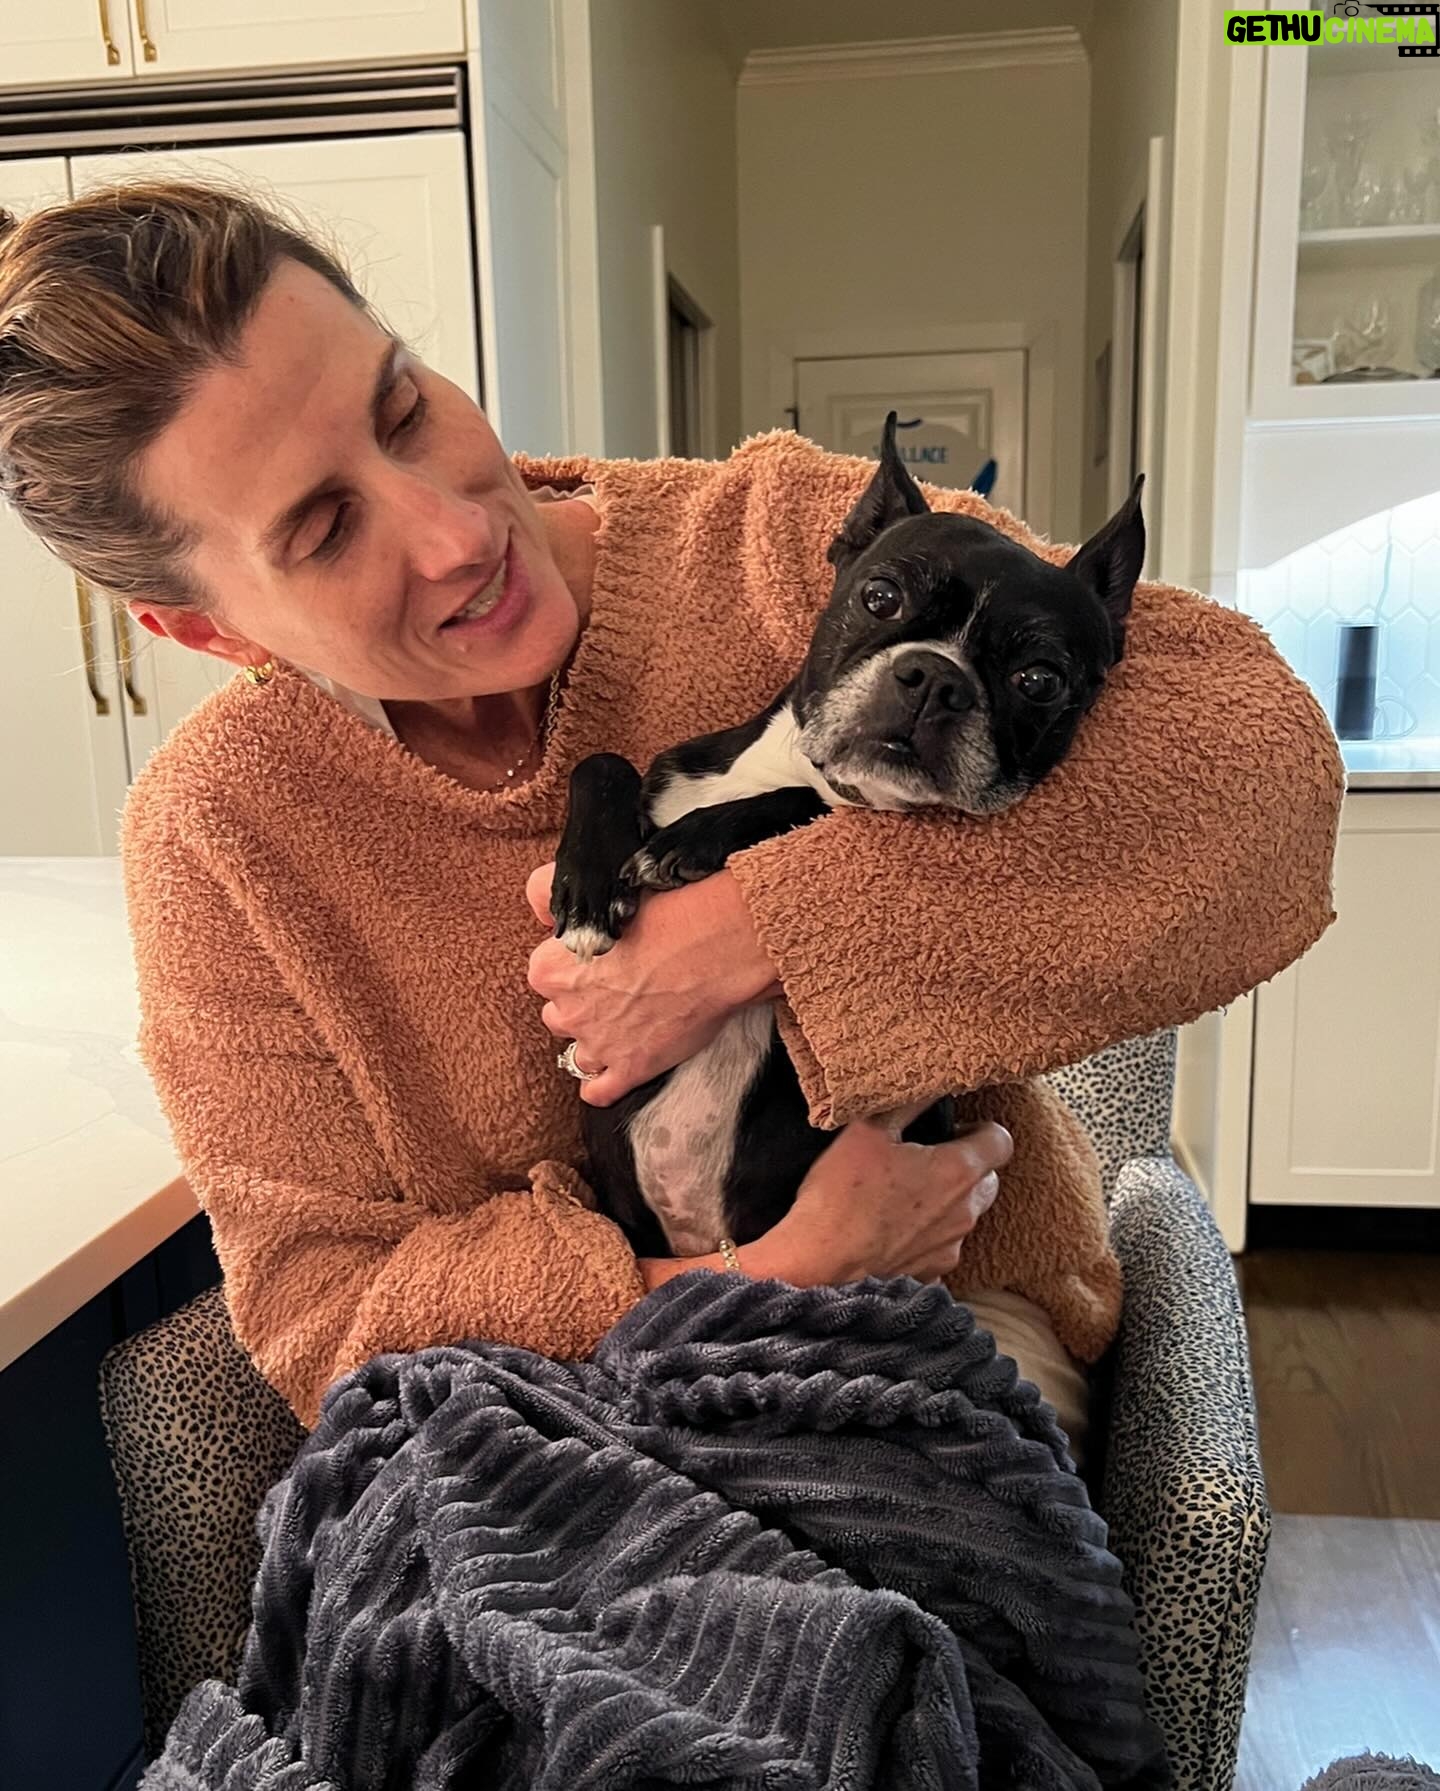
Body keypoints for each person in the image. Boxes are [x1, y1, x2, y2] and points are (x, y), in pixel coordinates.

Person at [0, 183, 1342, 1442]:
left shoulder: (767, 537)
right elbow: (324, 1314)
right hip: (540, 1394)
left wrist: (759, 930)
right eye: (322, 530)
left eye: (404, 409)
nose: (460, 535)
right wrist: (775, 1273)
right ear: (207, 630)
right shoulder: (221, 834)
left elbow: (1264, 775)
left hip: (942, 1300)